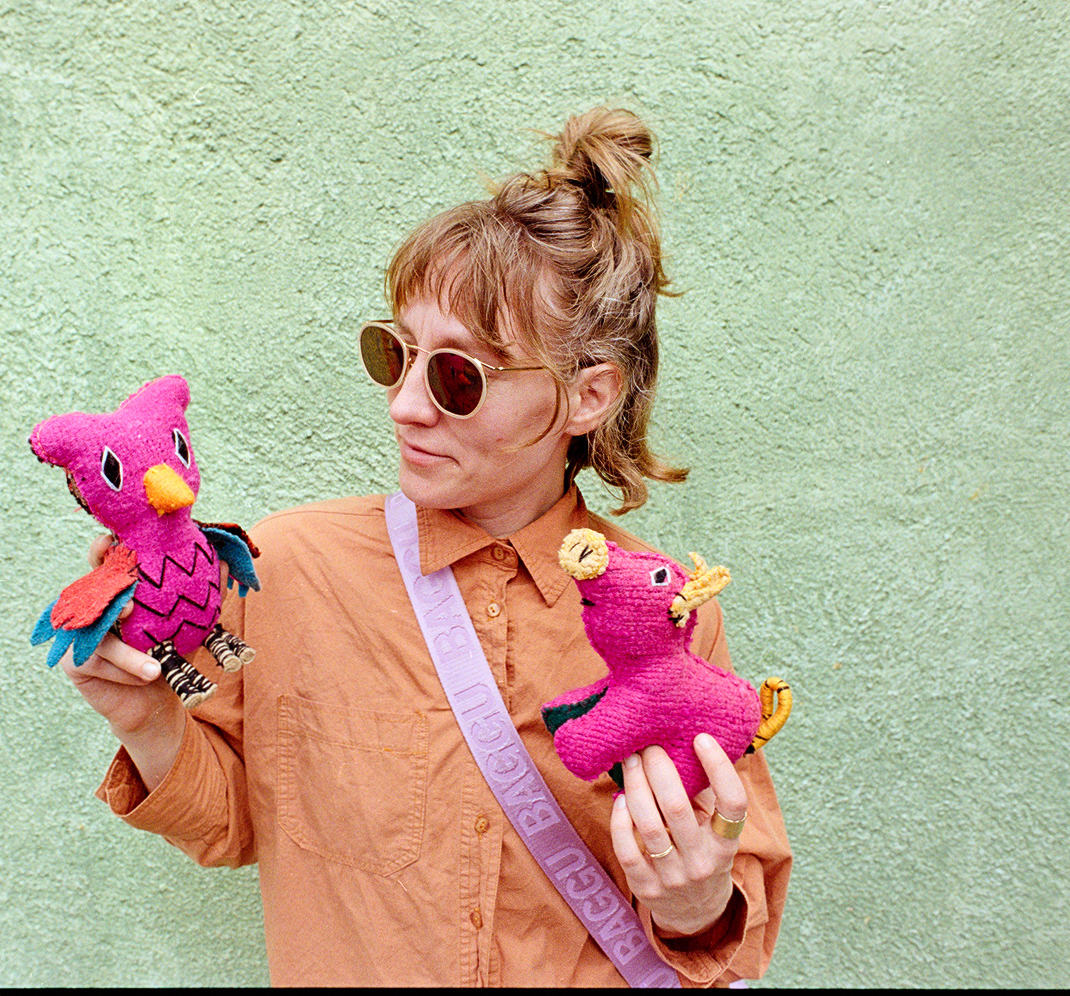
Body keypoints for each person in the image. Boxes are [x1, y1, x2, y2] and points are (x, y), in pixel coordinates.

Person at [58, 107, 790, 986]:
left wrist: (691, 900)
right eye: (394, 353)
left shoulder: (669, 614)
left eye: (457, 374)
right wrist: (147, 718)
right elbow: (231, 819)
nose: (405, 403)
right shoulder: (282, 568)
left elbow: (729, 915)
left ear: (589, 395)